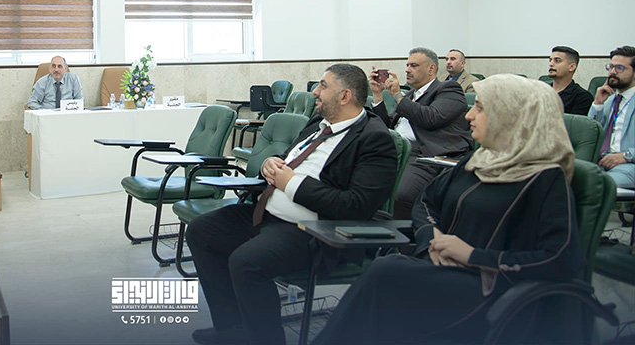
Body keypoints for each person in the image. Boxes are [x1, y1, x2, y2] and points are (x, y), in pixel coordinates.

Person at [313, 74, 584, 345]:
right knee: (387, 274)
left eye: (480, 108)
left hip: (491, 290)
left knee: (387, 273)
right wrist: (432, 237)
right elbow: (426, 202)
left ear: (512, 117)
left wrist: (473, 255)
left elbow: (560, 258)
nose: (469, 115)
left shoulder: (546, 178)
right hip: (445, 271)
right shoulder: (478, 160)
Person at [186, 64, 397, 345]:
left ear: (345, 96)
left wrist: (291, 183)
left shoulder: (374, 139)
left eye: (323, 86)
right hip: (268, 214)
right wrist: (269, 164)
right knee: (201, 231)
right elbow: (287, 160)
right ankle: (232, 328)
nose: (315, 92)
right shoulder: (318, 124)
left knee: (246, 262)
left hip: (313, 230)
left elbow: (355, 205)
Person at [371, 47, 470, 218]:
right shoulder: (411, 95)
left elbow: (430, 118)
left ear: (431, 69)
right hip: (395, 150)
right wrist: (377, 95)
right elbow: (387, 127)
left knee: (399, 196)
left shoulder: (449, 89)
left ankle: (402, 233)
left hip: (425, 155)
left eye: (414, 65)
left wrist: (398, 95)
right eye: (407, 65)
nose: (407, 70)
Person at [590, 45, 635, 187]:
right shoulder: (609, 100)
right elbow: (589, 133)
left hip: (628, 165)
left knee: (595, 185)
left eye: (620, 68)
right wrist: (597, 104)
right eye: (611, 67)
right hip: (601, 164)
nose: (613, 72)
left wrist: (626, 156)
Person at [548, 45, 594, 115]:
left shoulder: (582, 97)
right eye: (550, 60)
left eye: (557, 60)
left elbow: (573, 122)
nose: (551, 64)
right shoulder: (541, 91)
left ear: (571, 67)